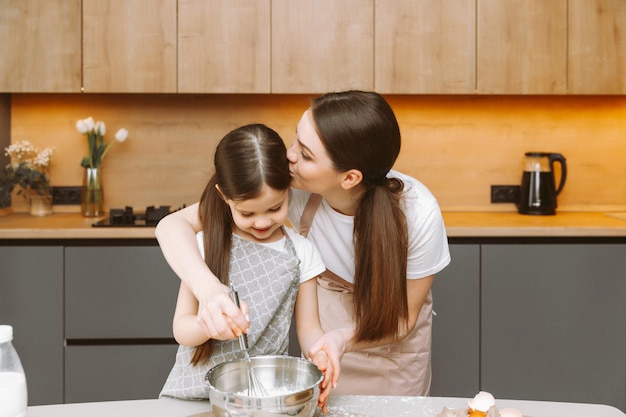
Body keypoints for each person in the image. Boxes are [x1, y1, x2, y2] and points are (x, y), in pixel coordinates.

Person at [156, 91, 451, 396]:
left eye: (306, 154)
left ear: (349, 178)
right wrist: (209, 291)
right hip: (323, 354)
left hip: (394, 359)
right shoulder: (289, 190)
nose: (290, 156)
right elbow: (172, 225)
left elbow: (403, 318)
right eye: (295, 140)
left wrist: (344, 339)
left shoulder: (418, 213)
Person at [159, 124, 340, 407]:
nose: (262, 222)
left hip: (261, 402)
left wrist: (320, 354)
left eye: (274, 208)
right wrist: (209, 327)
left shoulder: (303, 253)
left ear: (288, 189)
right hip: (192, 399)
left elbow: (308, 330)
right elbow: (182, 329)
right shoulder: (206, 243)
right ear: (224, 196)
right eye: (247, 213)